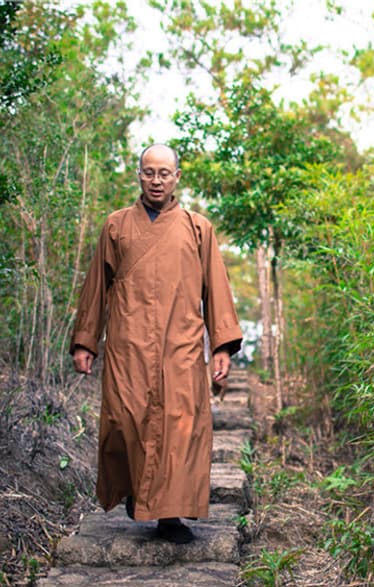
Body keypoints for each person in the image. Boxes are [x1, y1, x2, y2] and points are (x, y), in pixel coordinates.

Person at [70, 143, 243, 544]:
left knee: (181, 428)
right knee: (126, 421)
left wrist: (220, 346)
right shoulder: (116, 226)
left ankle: (169, 517)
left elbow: (216, 289)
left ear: (177, 177)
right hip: (127, 344)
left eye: (164, 173)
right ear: (139, 175)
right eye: (149, 172)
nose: (156, 180)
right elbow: (96, 288)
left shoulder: (198, 228)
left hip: (179, 344)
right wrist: (85, 342)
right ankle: (137, 492)